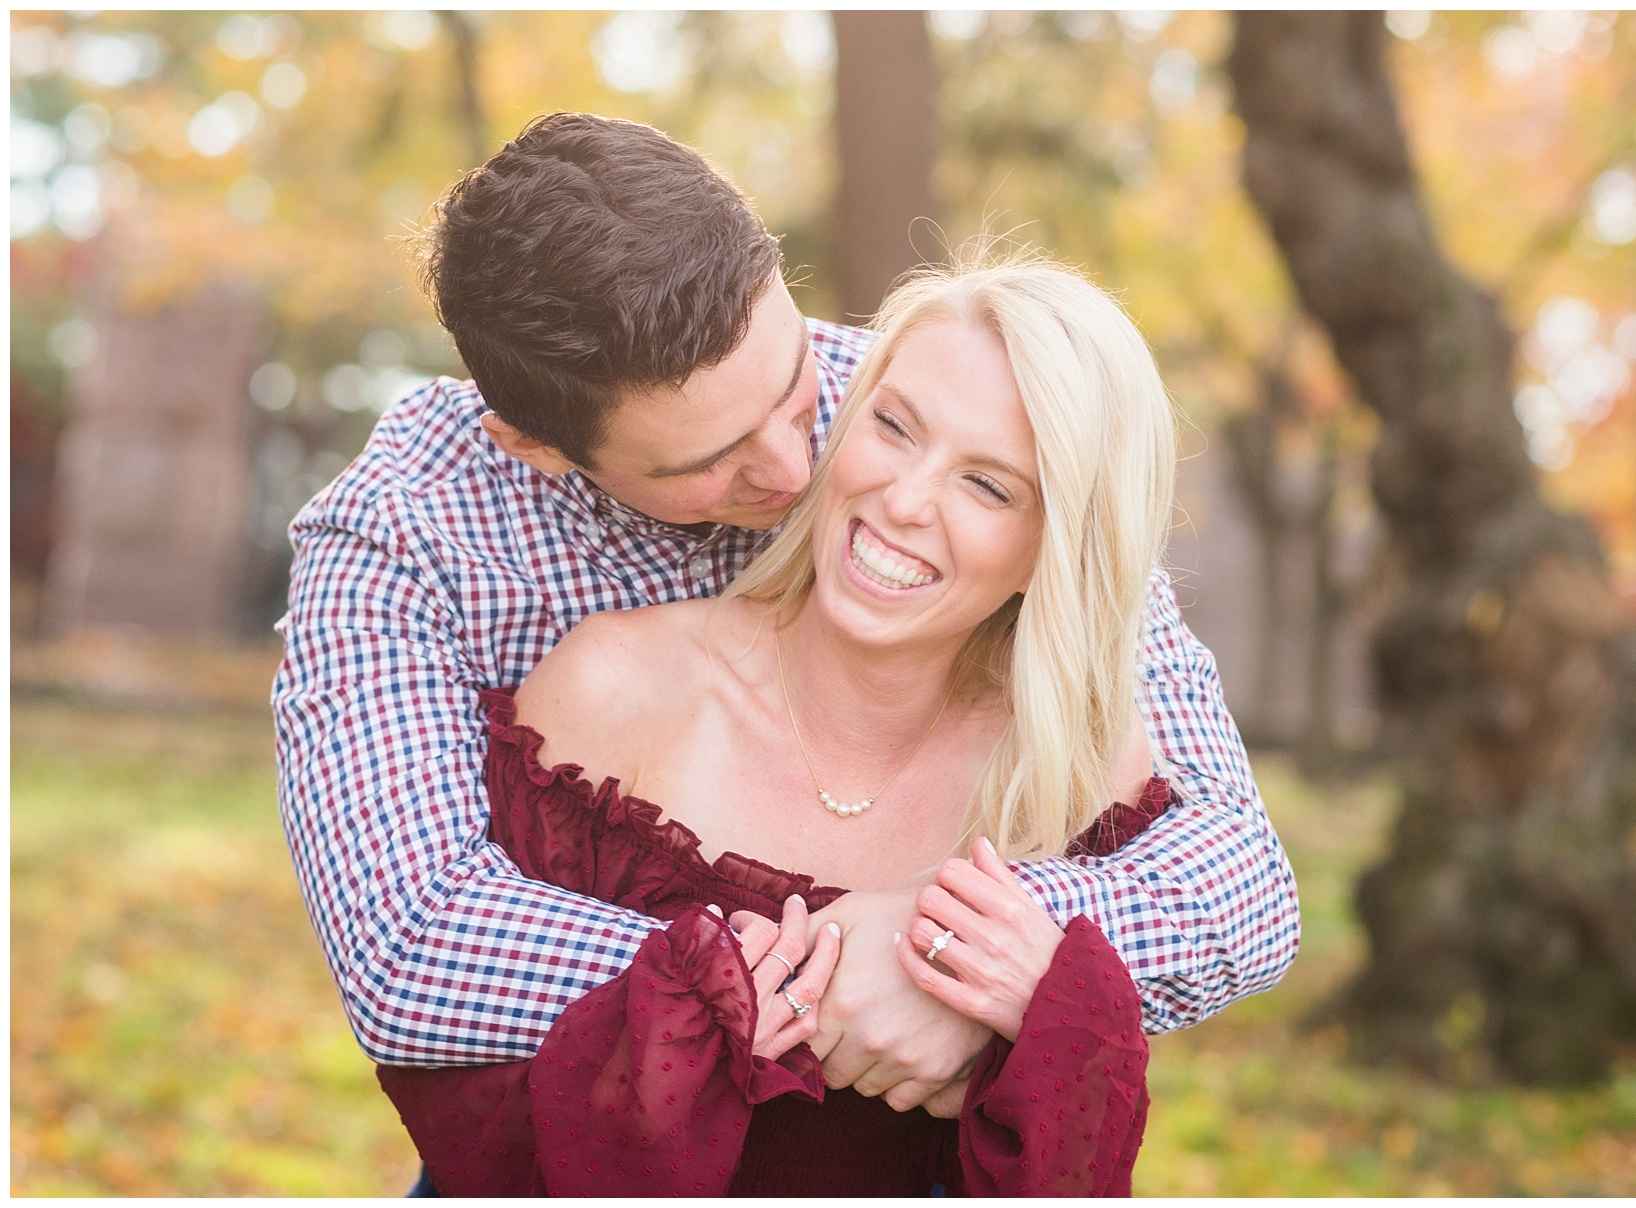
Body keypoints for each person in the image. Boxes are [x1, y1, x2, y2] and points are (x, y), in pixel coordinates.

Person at [272, 113, 1297, 1125]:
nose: (797, 469)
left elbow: (1239, 875)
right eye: (706, 463)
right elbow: (409, 947)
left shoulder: (922, 403)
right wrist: (813, 990)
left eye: (795, 388)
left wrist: (967, 960)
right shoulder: (404, 534)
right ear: (540, 448)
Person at [379, 254, 1179, 1195]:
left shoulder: (1080, 769)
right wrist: (712, 1002)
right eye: (893, 426)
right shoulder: (613, 693)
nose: (905, 500)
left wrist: (1037, 998)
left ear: (1056, 549)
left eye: (989, 486)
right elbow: (468, 1108)